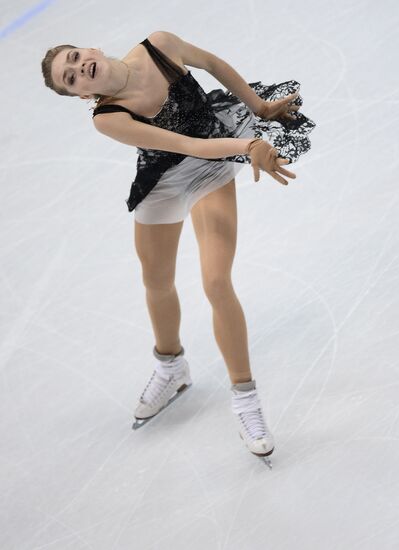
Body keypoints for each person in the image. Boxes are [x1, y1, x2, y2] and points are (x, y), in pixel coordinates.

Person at [41, 30, 316, 463]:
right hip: (165, 179)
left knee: (216, 282)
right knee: (156, 279)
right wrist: (249, 145)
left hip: (211, 168)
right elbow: (184, 146)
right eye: (71, 78)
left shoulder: (160, 45)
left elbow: (215, 66)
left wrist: (259, 109)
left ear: (90, 48)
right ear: (81, 95)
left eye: (75, 58)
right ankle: (171, 367)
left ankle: (246, 399)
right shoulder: (108, 117)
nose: (79, 69)